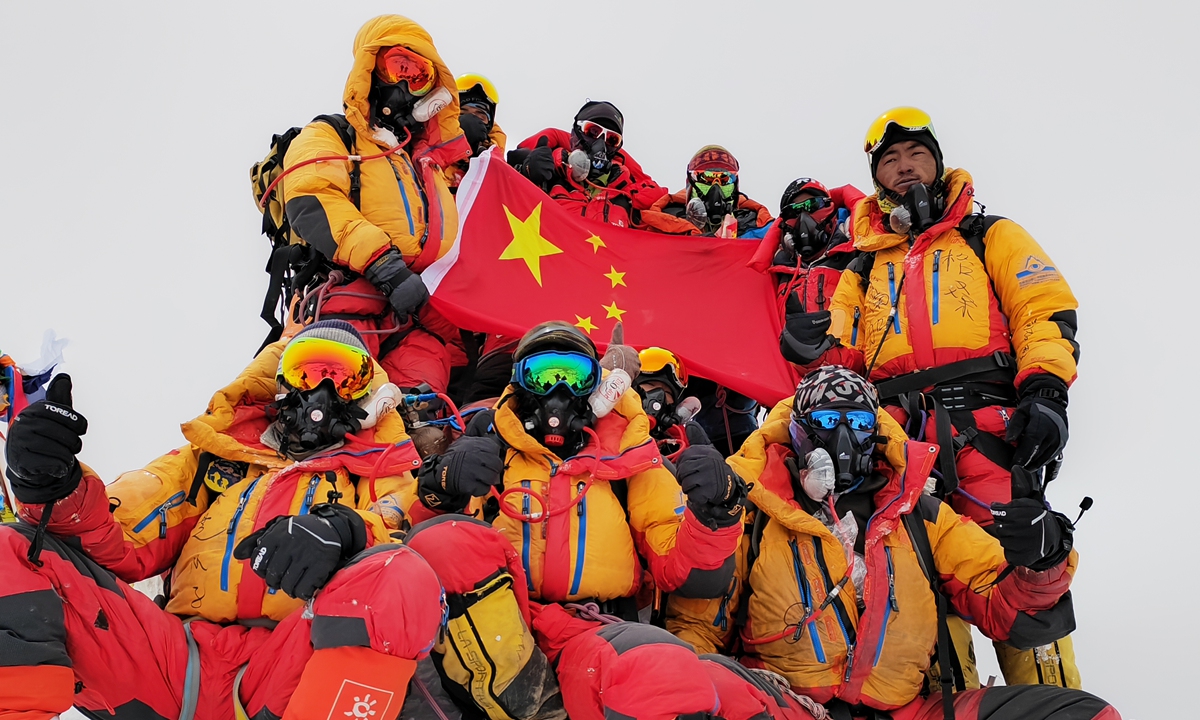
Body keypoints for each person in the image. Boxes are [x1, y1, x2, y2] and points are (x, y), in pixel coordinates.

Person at [0, 321, 445, 719]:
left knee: (399, 573)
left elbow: (400, 537)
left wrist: (344, 531)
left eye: (344, 378)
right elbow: (117, 538)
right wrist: (50, 482)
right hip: (174, 664)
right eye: (306, 372)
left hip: (290, 669)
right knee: (12, 549)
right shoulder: (213, 461)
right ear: (278, 383)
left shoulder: (380, 474)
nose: (321, 391)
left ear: (366, 398)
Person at [778, 107, 1082, 687]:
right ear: (876, 178)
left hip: (991, 435)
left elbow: (1042, 311)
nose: (904, 166)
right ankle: (951, 697)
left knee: (1023, 561)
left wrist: (1046, 390)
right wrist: (811, 351)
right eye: (889, 159)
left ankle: (1050, 701)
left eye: (916, 153)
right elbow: (844, 367)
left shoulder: (990, 235)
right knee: (919, 576)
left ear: (937, 163)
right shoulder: (862, 268)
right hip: (900, 443)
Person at [670, 367, 1118, 720]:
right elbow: (698, 629)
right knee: (683, 683)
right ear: (799, 431)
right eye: (826, 421)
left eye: (858, 422)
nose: (844, 436)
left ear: (876, 432)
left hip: (906, 712)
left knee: (1084, 713)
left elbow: (1003, 603)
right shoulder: (753, 511)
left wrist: (1042, 561)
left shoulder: (921, 516)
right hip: (786, 706)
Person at [402, 321, 746, 718]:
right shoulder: (491, 445)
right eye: (542, 375)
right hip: (494, 631)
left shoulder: (630, 456)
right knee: (439, 540)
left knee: (656, 668)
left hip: (593, 631)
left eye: (575, 376)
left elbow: (689, 574)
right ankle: (529, 705)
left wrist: (715, 514)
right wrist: (440, 491)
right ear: (518, 384)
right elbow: (417, 543)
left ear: (595, 387)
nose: (559, 391)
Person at [281, 15, 472, 394]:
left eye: (420, 76)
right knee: (329, 398)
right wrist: (385, 266)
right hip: (350, 299)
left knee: (421, 415)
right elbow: (312, 196)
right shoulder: (332, 135)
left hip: (425, 322)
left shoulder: (431, 166)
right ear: (371, 69)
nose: (406, 84)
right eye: (399, 66)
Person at [508, 100, 665, 227]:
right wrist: (524, 173)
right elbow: (502, 204)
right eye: (593, 131)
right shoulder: (547, 175)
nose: (601, 144)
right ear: (574, 135)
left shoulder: (628, 200)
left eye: (612, 139)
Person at [639, 145, 773, 238]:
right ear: (691, 183)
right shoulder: (665, 220)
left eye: (724, 179)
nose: (716, 187)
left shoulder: (756, 224)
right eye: (707, 178)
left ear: (735, 185)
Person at [634, 346, 709, 461]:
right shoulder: (607, 422)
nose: (658, 396)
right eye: (650, 385)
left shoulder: (680, 448)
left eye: (667, 393)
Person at [450, 72, 506, 189]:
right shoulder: (431, 157)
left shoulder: (499, 171)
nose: (471, 122)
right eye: (462, 114)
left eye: (480, 116)